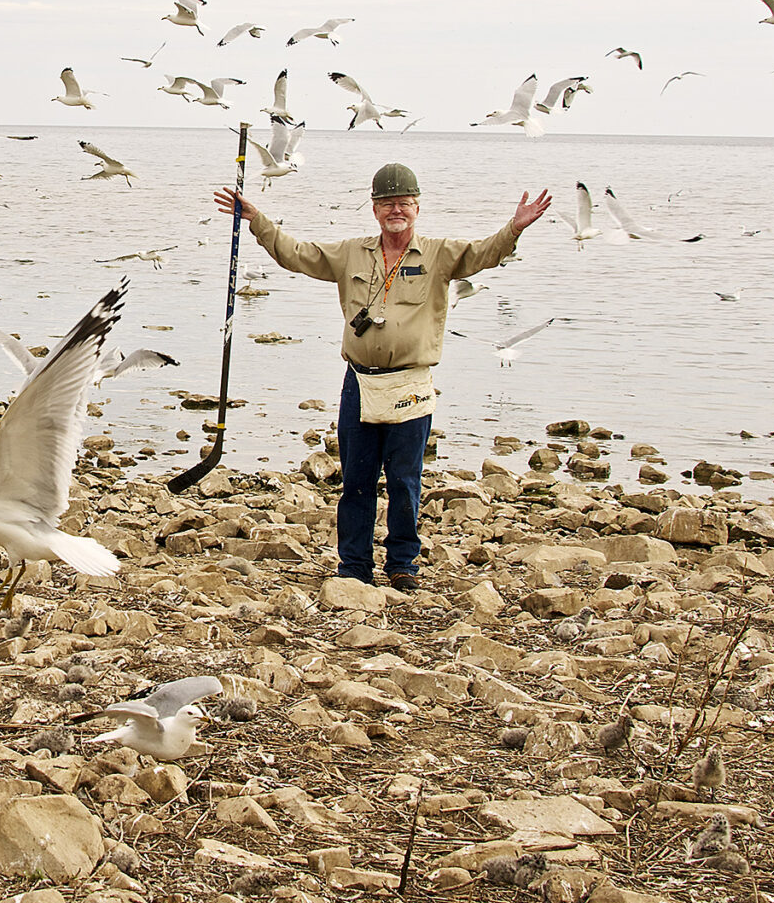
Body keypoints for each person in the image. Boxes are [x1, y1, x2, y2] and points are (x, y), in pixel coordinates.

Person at [216, 163, 551, 590]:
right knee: (356, 479)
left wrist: (515, 228)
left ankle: (402, 565)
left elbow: (485, 254)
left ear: (417, 207)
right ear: (374, 210)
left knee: (405, 479)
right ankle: (354, 566)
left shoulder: (439, 253)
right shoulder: (351, 253)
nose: (396, 210)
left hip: (410, 383)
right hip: (360, 382)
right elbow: (298, 255)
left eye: (404, 203)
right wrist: (257, 221)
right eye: (387, 203)